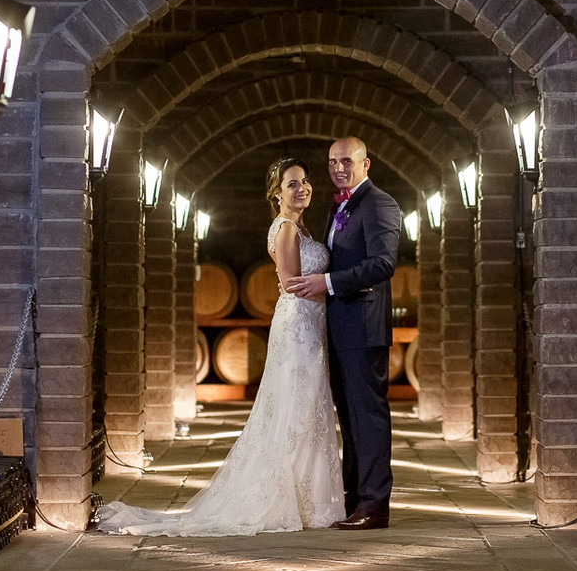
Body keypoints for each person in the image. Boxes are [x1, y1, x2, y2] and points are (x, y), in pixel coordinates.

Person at [95, 157, 344, 536]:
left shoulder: (299, 227)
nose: (302, 188)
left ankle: (306, 496)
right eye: (292, 184)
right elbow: (293, 285)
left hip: (308, 324)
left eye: (305, 181)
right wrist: (338, 291)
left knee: (306, 406)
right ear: (277, 193)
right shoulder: (286, 229)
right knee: (294, 407)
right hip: (299, 327)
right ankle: (283, 498)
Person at [285, 136, 401, 530]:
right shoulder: (341, 206)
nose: (339, 168)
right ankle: (354, 500)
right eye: (333, 161)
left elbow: (383, 264)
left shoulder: (379, 204)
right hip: (339, 328)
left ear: (365, 164)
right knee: (349, 421)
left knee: (368, 418)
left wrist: (328, 282)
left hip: (364, 329)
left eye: (347, 161)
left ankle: (374, 506)